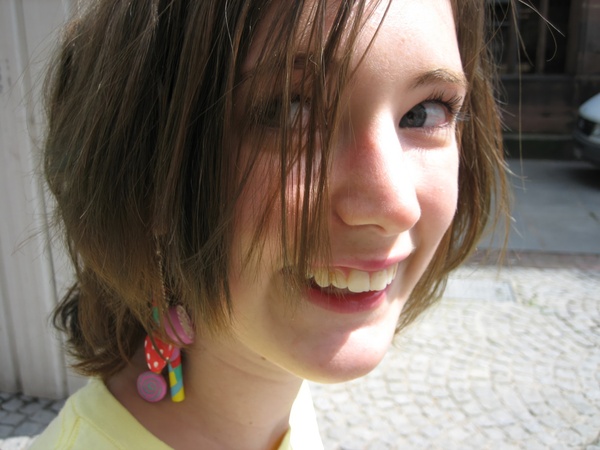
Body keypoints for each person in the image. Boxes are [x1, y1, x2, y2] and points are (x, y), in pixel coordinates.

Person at [32, 0, 508, 448]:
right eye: (290, 108)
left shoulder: (277, 398)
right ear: (145, 170)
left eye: (425, 112)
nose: (395, 205)